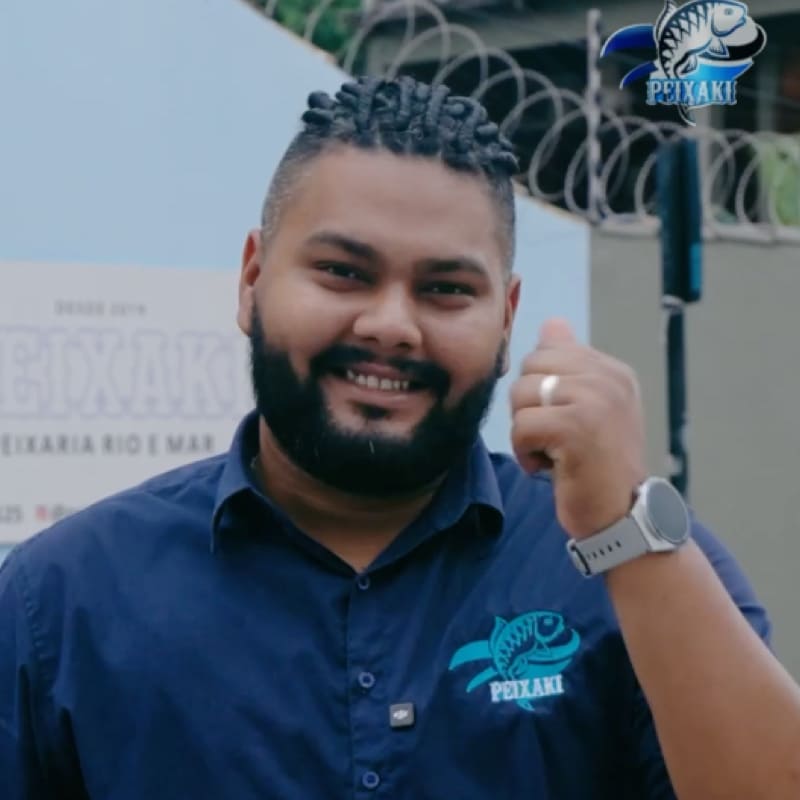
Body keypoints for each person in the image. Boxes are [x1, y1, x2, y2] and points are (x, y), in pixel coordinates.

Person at [1, 75, 798, 800]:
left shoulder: (630, 567)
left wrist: (623, 529)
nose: (391, 325)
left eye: (445, 289)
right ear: (252, 280)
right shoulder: (61, 599)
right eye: (343, 272)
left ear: (506, 320)